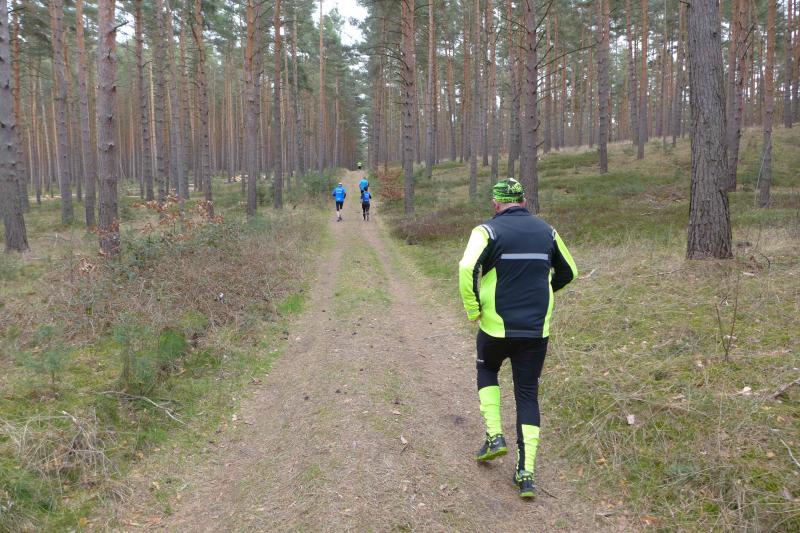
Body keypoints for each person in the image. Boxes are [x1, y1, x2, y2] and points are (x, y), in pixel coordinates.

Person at [458, 178, 577, 499]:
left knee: (487, 370)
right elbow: (570, 272)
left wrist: (473, 308)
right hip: (536, 329)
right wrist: (545, 292)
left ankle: (495, 436)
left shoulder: (487, 231)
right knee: (527, 394)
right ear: (524, 201)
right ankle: (526, 473)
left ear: (496, 203)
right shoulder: (548, 231)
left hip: (495, 325)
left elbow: (467, 267)